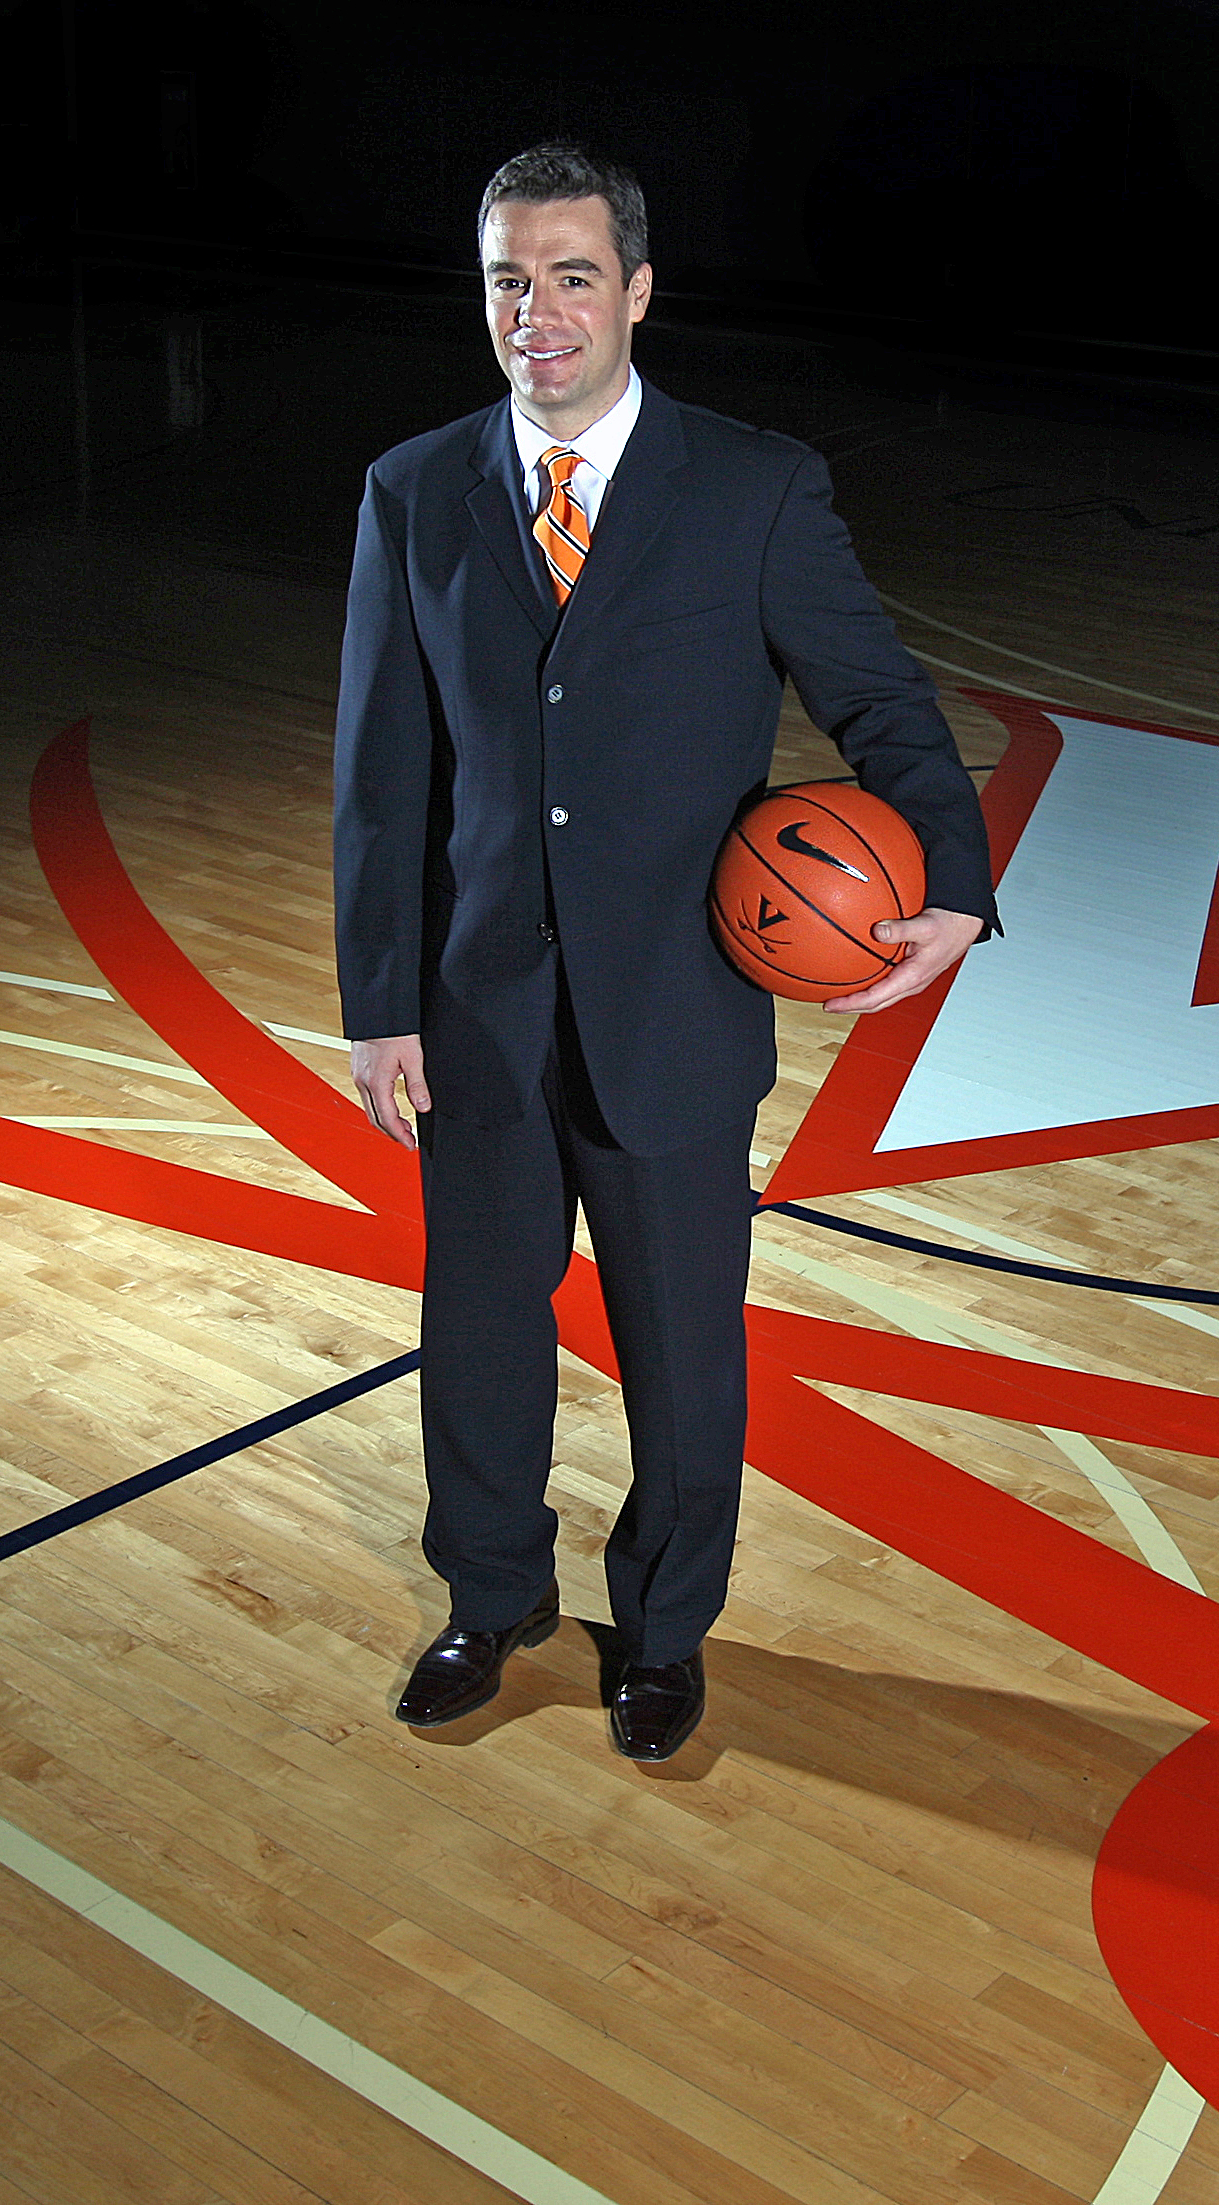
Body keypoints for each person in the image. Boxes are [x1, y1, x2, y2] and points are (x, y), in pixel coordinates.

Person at [333, 144, 996, 1760]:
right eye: (507, 278)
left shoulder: (753, 487)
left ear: (637, 291)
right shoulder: (414, 489)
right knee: (478, 1326)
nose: (535, 312)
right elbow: (382, 770)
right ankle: (491, 1599)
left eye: (570, 277)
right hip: (476, 1006)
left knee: (684, 1351)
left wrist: (958, 881)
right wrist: (377, 1003)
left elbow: (884, 701)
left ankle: (668, 1629)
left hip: (678, 1009)